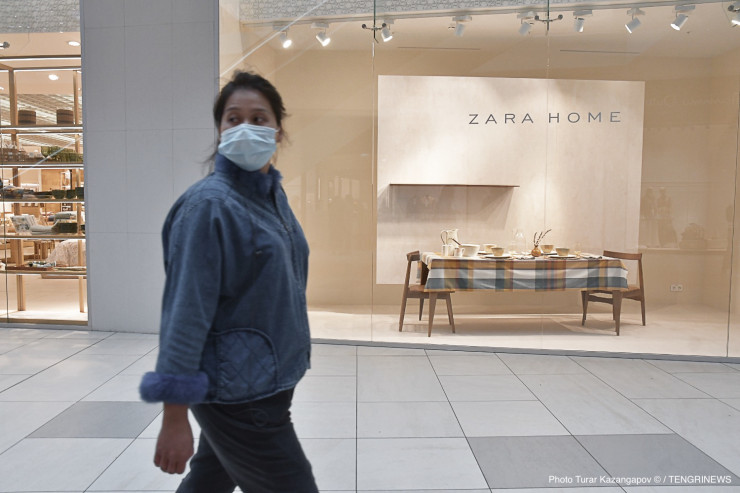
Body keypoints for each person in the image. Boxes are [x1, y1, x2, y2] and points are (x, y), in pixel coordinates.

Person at [139, 71, 318, 493]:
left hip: (262, 378)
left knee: (209, 480)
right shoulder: (210, 207)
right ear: (220, 130)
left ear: (278, 131)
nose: (245, 128)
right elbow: (185, 315)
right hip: (239, 395)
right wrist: (174, 416)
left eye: (259, 118)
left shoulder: (270, 196)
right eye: (233, 119)